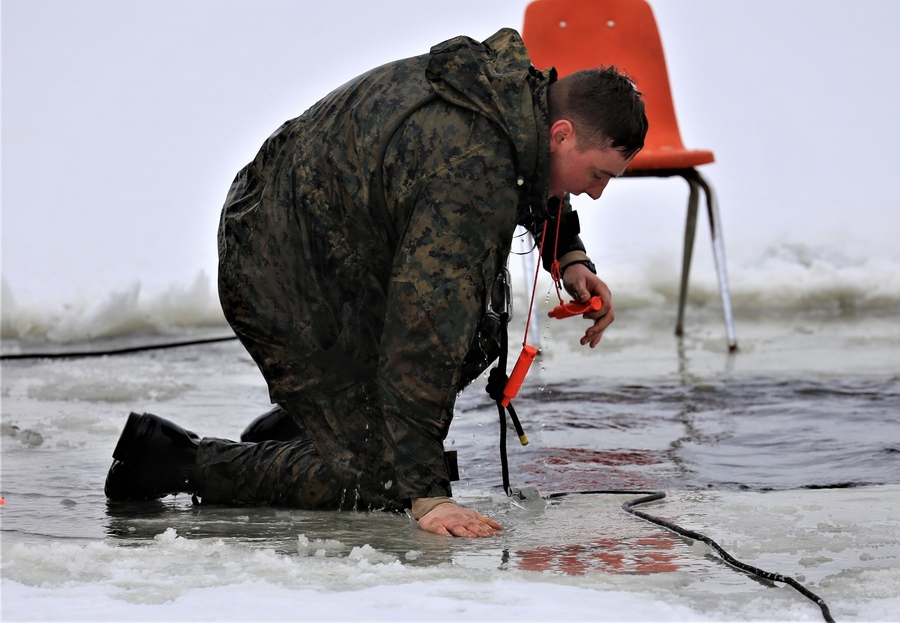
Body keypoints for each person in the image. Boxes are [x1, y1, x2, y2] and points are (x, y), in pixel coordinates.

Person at [104, 28, 647, 538]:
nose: (597, 193)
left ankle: (312, 430)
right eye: (597, 174)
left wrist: (569, 256)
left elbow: (532, 174)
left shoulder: (512, 104)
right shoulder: (470, 170)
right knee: (383, 482)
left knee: (475, 334)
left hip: (324, 236)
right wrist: (427, 495)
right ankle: (173, 461)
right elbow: (424, 335)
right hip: (281, 265)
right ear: (562, 133)